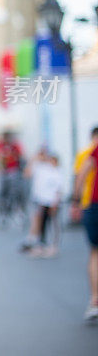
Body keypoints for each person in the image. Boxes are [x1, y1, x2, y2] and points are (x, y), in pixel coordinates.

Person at [73, 126, 98, 322]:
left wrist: (75, 201)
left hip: (92, 204)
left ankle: (95, 300)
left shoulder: (88, 152)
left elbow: (81, 175)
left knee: (94, 253)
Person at [24, 150, 66, 258]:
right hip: (42, 201)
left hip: (52, 202)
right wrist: (34, 158)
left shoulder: (57, 172)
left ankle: (53, 245)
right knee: (41, 223)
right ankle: (40, 244)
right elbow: (27, 173)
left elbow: (59, 189)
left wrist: (55, 203)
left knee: (54, 224)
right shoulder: (42, 169)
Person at [0, 131, 25, 231]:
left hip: (12, 171)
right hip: (1, 172)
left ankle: (16, 212)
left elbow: (21, 156)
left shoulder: (15, 145)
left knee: (16, 191)